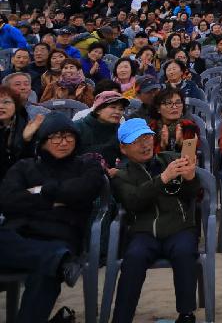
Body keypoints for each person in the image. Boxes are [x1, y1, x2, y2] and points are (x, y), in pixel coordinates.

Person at [0, 112, 105, 323]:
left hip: (60, 235)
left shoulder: (87, 165)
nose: (63, 142)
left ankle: (56, 260)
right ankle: (58, 261)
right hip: (18, 235)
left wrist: (40, 191)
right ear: (44, 140)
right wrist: (55, 200)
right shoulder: (24, 166)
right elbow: (8, 201)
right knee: (50, 263)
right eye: (55, 137)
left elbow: (85, 189)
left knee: (46, 273)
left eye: (68, 137)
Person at [110, 117, 200, 323]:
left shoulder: (169, 159)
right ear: (123, 149)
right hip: (143, 231)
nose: (144, 144)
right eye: (136, 140)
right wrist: (163, 178)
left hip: (178, 227)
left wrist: (190, 178)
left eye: (147, 137)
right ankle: (121, 318)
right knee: (133, 257)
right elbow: (133, 201)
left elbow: (193, 195)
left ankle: (186, 314)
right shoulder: (121, 175)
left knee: (185, 251)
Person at [77, 89, 130, 172]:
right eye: (113, 107)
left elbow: (128, 156)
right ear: (98, 110)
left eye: (121, 109)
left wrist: (119, 170)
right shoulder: (78, 127)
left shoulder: (121, 131)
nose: (118, 112)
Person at [0, 85, 40, 183]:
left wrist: (26, 140)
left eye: (6, 102)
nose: (1, 106)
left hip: (18, 181)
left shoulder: (26, 127)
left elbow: (30, 165)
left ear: (16, 105)